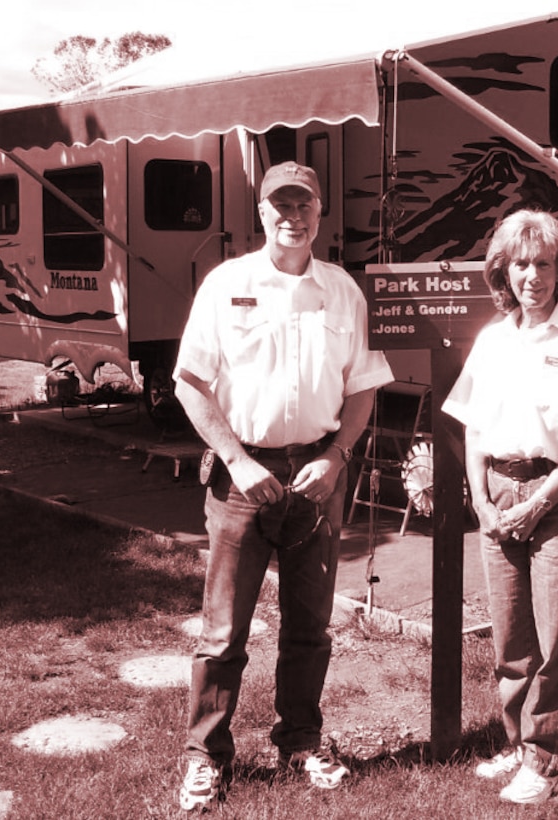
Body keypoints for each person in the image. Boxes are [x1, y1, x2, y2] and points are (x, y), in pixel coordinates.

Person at [173, 161, 394, 811]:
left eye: (305, 204)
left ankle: (301, 741)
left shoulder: (342, 291)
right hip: (242, 479)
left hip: (316, 478)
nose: (292, 216)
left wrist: (336, 457)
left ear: (320, 212)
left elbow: (363, 386)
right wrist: (238, 461)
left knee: (310, 629)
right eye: (280, 205)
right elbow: (191, 382)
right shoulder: (227, 283)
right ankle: (205, 758)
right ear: (260, 212)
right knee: (223, 633)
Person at [442, 209, 558, 805]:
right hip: (498, 492)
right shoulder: (492, 340)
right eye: (520, 264)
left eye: (543, 264)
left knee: (556, 640)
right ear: (503, 272)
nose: (532, 276)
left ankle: (549, 762)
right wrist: (481, 499)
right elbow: (472, 427)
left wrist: (541, 501)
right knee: (511, 640)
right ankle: (519, 744)